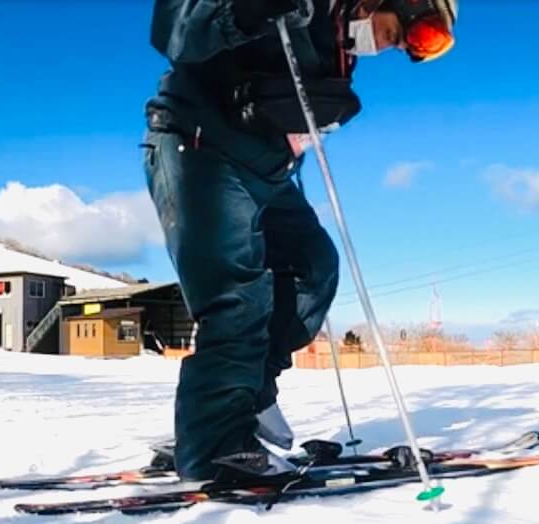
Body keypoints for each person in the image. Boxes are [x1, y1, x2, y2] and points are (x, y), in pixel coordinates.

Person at [143, 0, 458, 481]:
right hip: (201, 149)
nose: (393, 47)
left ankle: (238, 405)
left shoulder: (335, 45)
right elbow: (176, 32)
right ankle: (216, 450)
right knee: (236, 298)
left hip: (265, 170)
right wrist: (249, 13)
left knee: (313, 267)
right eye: (402, 33)